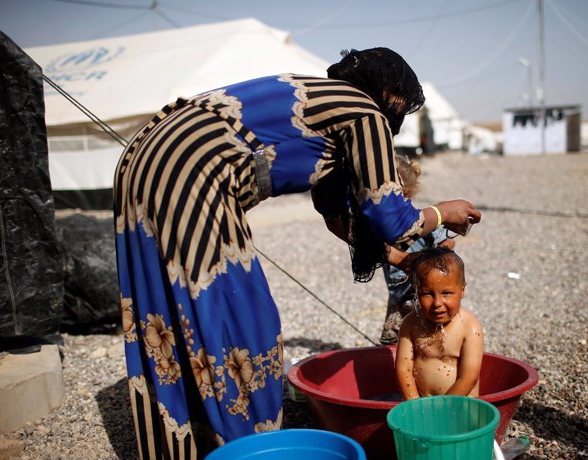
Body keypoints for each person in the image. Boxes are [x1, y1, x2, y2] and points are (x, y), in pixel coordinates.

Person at [114, 47, 481, 457]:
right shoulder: (365, 112)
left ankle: (184, 442)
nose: (397, 117)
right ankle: (250, 446)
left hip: (146, 156)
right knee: (241, 316)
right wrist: (443, 212)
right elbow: (392, 215)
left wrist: (398, 259)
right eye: (399, 104)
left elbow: (336, 213)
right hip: (191, 171)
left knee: (168, 309)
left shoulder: (324, 103)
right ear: (389, 92)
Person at [379, 155, 453, 345]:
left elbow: (447, 241)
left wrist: (435, 258)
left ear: (405, 194)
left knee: (426, 336)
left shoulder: (421, 219)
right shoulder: (381, 224)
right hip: (397, 292)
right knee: (394, 338)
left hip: (421, 292)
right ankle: (392, 363)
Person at [395, 247, 483, 400]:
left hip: (460, 404)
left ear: (462, 290)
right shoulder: (410, 324)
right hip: (421, 402)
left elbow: (469, 377)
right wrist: (415, 404)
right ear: (416, 291)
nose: (437, 303)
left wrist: (441, 408)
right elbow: (404, 369)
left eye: (446, 293)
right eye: (427, 293)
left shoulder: (469, 327)